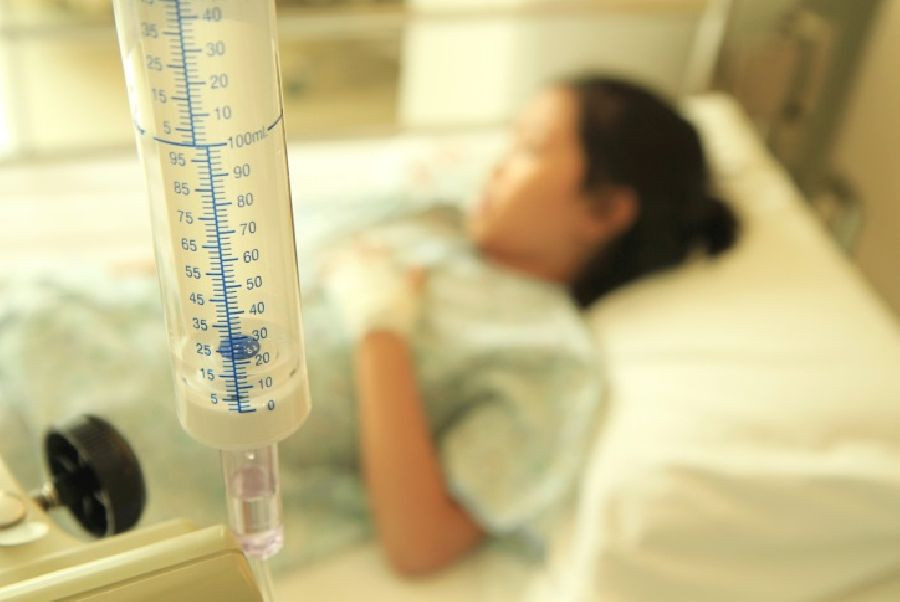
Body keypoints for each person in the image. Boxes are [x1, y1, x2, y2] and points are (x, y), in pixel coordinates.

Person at [0, 74, 738, 577]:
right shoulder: (436, 218)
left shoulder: (546, 357)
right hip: (56, 313)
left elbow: (422, 541)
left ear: (604, 210)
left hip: (91, 439)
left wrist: (380, 331)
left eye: (529, 149)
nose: (496, 164)